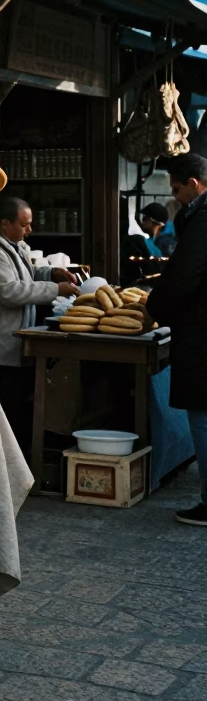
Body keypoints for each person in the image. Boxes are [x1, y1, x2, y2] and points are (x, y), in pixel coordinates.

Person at [0, 196, 79, 456]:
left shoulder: (14, 245)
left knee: (20, 410)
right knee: (6, 414)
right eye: (24, 224)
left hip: (17, 344)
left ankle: (20, 465)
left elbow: (26, 275)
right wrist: (56, 289)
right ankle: (6, 467)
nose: (30, 230)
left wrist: (51, 274)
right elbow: (11, 291)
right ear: (6, 224)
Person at [146, 152, 207, 526]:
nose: (175, 197)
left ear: (194, 185)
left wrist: (154, 308)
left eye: (177, 190)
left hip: (201, 330)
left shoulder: (202, 220)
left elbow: (186, 275)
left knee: (201, 415)